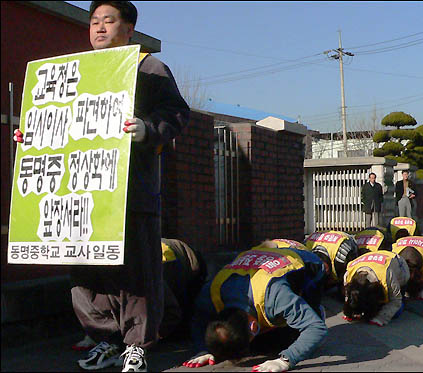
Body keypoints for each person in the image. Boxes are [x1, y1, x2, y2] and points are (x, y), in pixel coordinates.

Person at [14, 2, 191, 372]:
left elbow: (176, 113)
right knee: (86, 275)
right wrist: (32, 137)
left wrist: (147, 128)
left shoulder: (149, 68)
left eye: (108, 21)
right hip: (80, 197)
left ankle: (136, 346)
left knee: (137, 275)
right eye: (94, 21)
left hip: (131, 195)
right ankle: (106, 339)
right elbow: (57, 123)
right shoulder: (74, 74)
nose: (98, 28)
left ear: (129, 29)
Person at [182, 241, 328, 372]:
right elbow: (198, 319)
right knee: (262, 345)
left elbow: (316, 329)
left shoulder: (275, 295)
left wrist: (286, 360)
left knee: (288, 340)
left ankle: (315, 311)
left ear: (253, 327)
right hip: (261, 255)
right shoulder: (212, 292)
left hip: (305, 263)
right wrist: (204, 349)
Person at [72, 238, 207, 350]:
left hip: (188, 263)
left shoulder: (142, 277)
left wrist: (145, 339)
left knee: (184, 327)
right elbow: (102, 312)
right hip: (157, 258)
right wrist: (98, 335)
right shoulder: (95, 282)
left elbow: (172, 312)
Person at [343, 251, 410, 327]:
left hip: (399, 266)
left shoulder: (387, 274)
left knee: (396, 311)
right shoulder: (348, 274)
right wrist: (350, 311)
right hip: (374, 261)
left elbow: (396, 300)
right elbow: (349, 297)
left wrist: (379, 318)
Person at [303, 230, 360, 297]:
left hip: (345, 246)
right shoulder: (305, 248)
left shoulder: (342, 255)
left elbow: (348, 276)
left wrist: (343, 285)